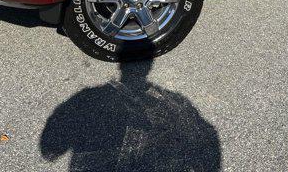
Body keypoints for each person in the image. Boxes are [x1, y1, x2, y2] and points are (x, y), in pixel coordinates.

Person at [39, 59, 222, 171]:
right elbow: (206, 136)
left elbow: (49, 148)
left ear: (119, 64)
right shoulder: (174, 102)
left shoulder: (89, 97)